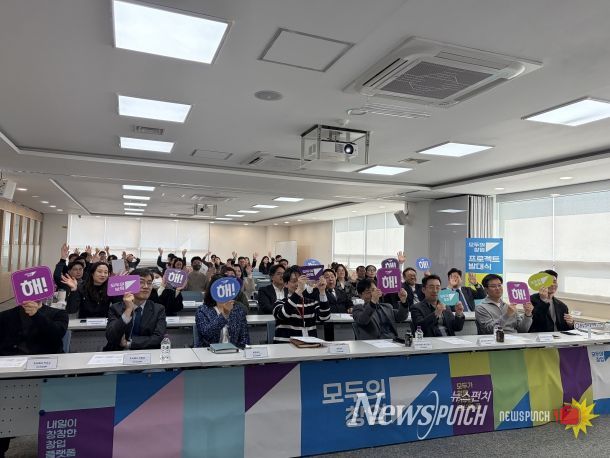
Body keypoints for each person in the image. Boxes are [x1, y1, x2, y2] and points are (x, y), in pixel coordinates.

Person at [0, 300, 68, 456]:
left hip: (45, 378)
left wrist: (37, 315)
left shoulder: (58, 314)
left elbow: (57, 335)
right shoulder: (5, 316)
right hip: (9, 379)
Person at [104, 268, 167, 351]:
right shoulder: (115, 308)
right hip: (118, 352)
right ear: (130, 285)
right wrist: (128, 310)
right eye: (141, 282)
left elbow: (158, 337)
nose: (146, 286)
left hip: (147, 352)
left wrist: (129, 344)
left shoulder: (158, 309)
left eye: (149, 283)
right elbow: (111, 337)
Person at [273, 266, 330, 342]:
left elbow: (324, 317)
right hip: (286, 345)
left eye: (301, 281)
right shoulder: (279, 303)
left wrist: (322, 292)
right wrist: (299, 290)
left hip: (309, 345)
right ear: (286, 284)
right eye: (294, 281)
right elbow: (283, 314)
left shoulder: (311, 303)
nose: (298, 284)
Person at [195, 274, 250, 348]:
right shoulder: (202, 310)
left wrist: (240, 350)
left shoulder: (238, 310)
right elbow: (207, 334)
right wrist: (224, 314)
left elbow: (244, 338)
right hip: (208, 351)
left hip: (233, 352)